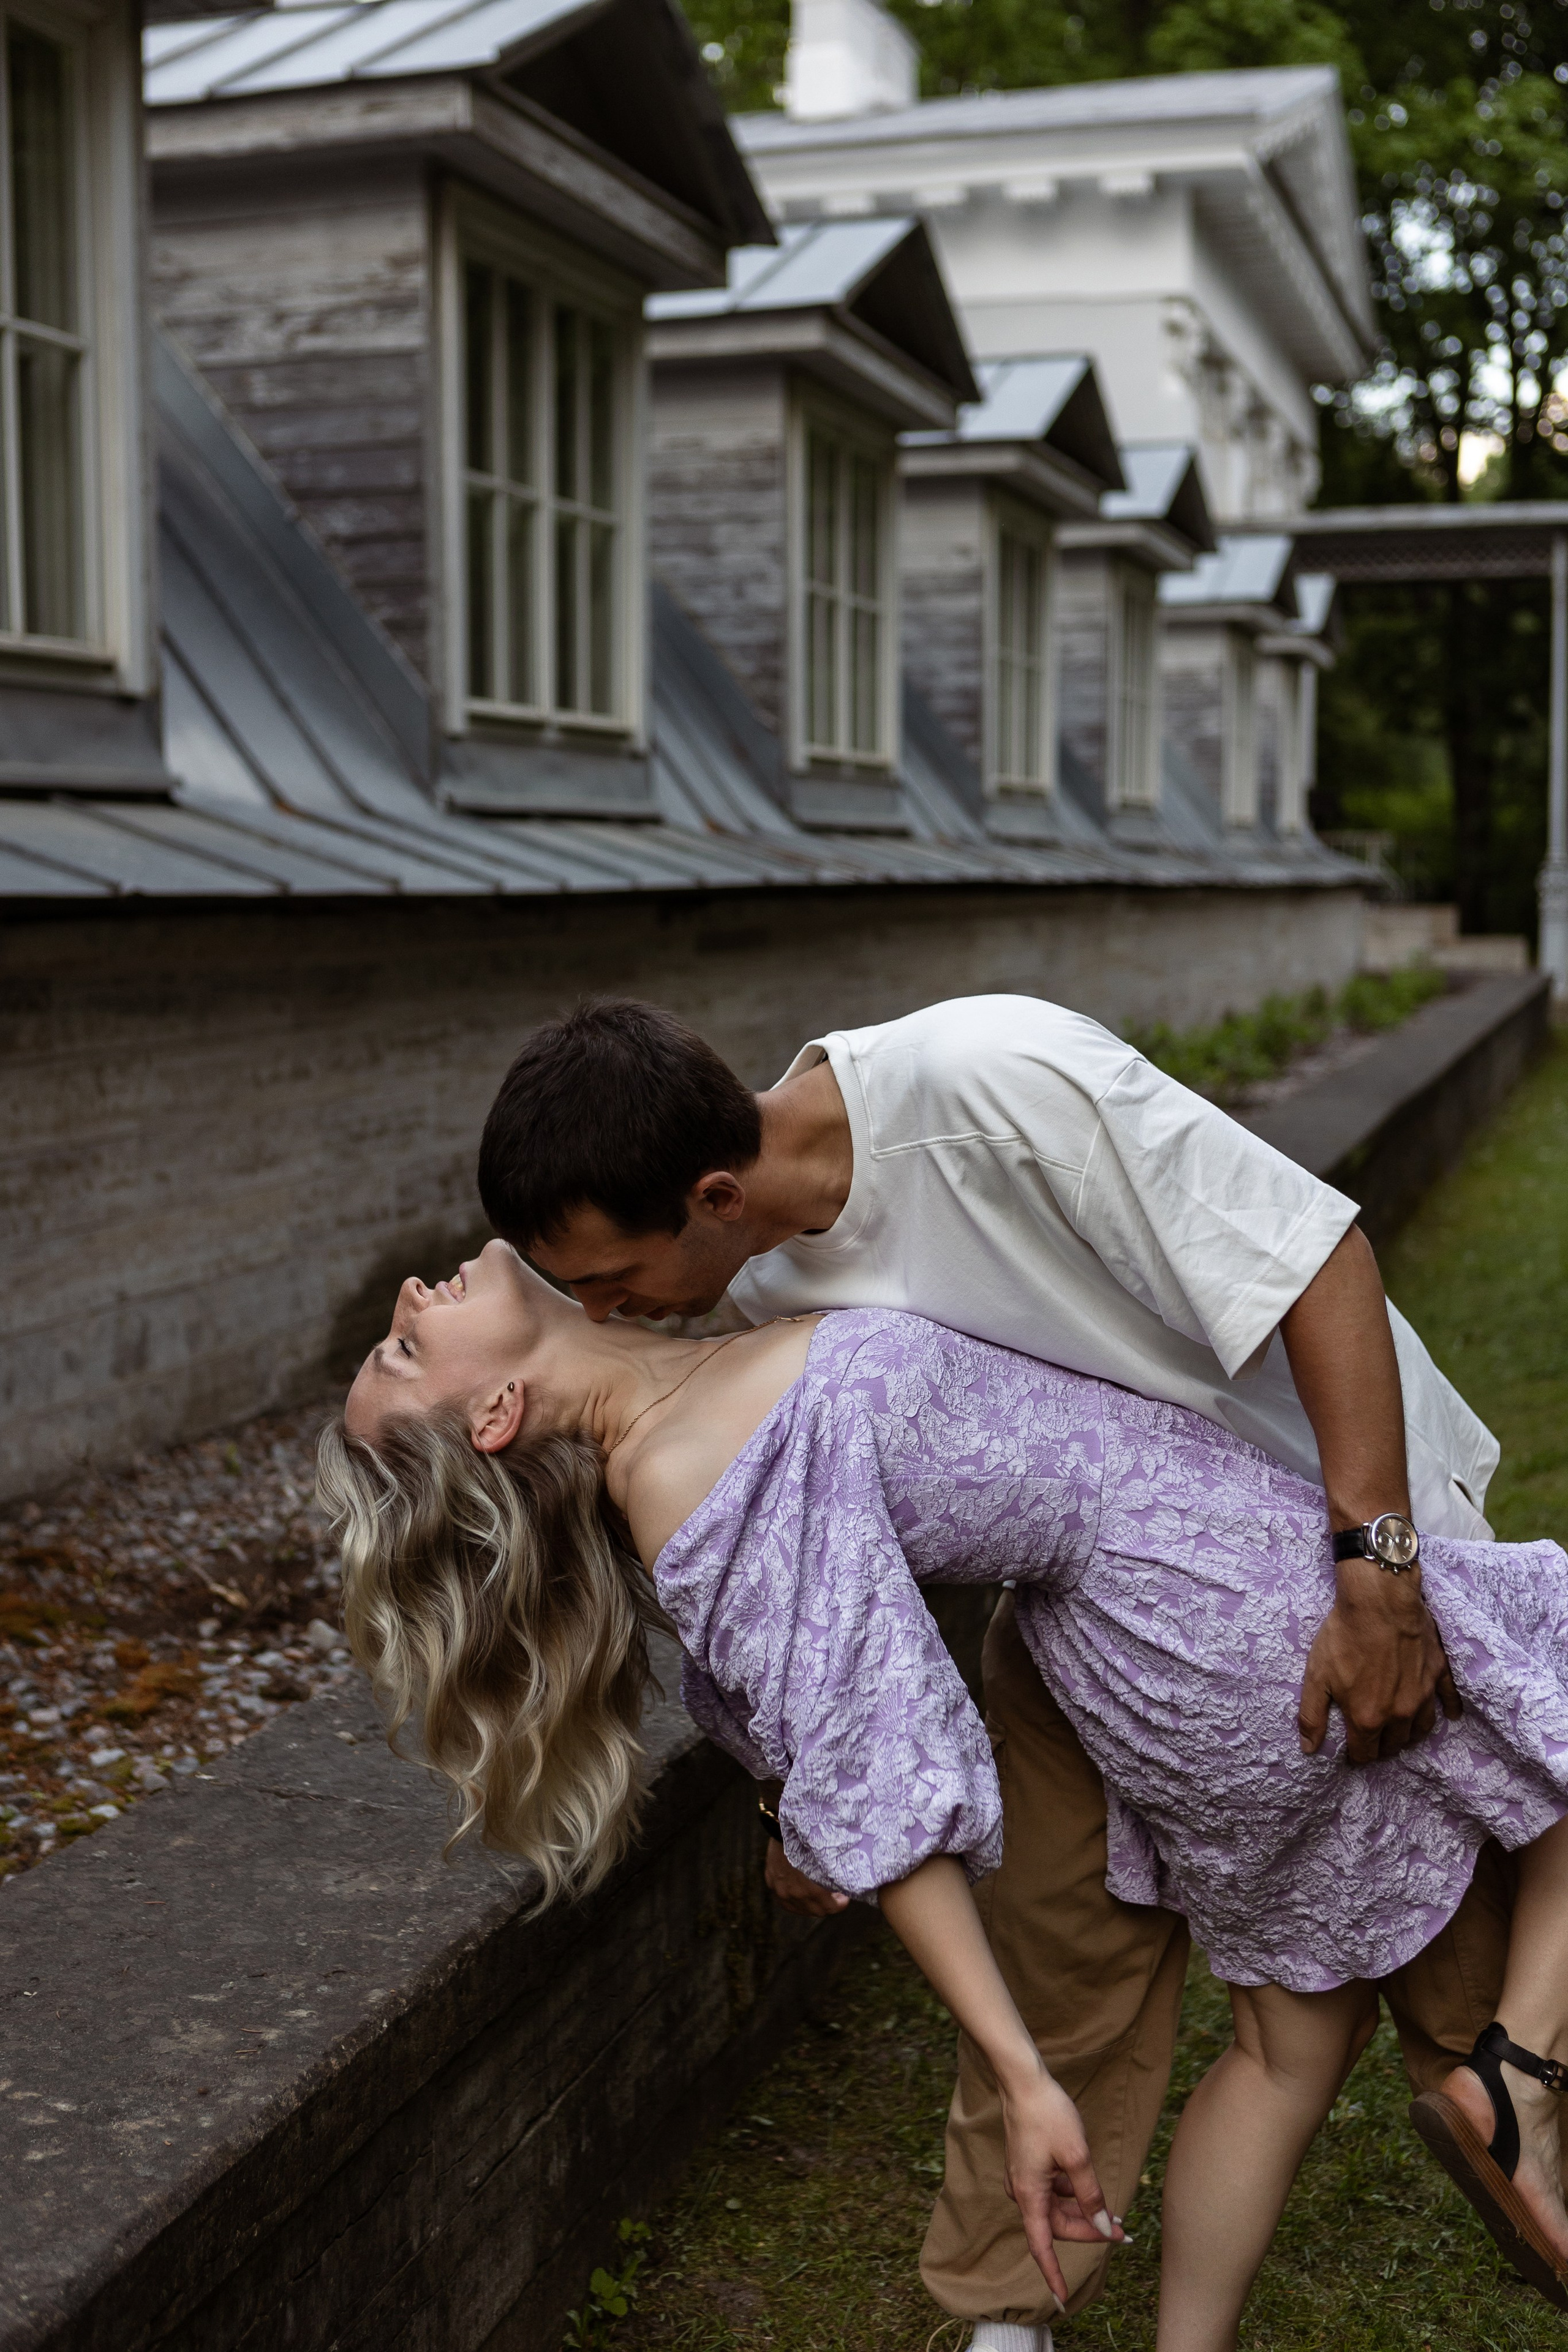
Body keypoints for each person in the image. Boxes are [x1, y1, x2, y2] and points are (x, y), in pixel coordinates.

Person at [469, 994, 1510, 2345]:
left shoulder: (991, 1083)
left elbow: (1318, 1262)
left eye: (615, 1285)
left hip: (1323, 1536)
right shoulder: (762, 1279)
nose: (613, 1317)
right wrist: (799, 1794)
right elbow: (825, 1586)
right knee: (1046, 1960)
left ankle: (1520, 2119)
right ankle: (1006, 2318)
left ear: (715, 1193)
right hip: (1078, 1614)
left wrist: (1375, 1574)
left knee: (1454, 1995)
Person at [317, 1247, 1568, 2347]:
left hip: (1159, 1623)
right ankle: (1513, 2077)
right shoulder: (682, 1478)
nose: (408, 1297)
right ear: (492, 1410)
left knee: (1282, 2052)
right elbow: (878, 1769)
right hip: (1212, 1604)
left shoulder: (685, 1384)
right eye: (404, 1345)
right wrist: (1021, 2077)